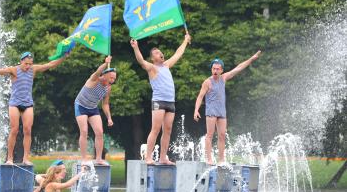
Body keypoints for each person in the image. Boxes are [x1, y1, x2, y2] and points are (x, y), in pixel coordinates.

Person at [0, 52, 68, 165]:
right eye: (26, 64)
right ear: (21, 61)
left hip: (28, 104)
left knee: (27, 130)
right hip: (15, 104)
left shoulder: (33, 69)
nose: (28, 66)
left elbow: (50, 65)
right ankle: (10, 158)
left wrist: (63, 57)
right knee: (14, 130)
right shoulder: (13, 70)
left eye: (30, 64)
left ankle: (26, 159)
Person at [130, 33, 191, 165]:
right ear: (153, 59)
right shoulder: (152, 68)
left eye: (160, 52)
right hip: (159, 101)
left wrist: (185, 41)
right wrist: (136, 47)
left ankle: (163, 157)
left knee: (167, 130)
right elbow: (140, 61)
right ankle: (148, 157)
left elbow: (177, 54)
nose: (160, 54)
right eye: (157, 53)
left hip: (170, 102)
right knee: (155, 129)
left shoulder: (167, 65)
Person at [193, 51, 261, 164]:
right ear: (211, 69)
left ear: (221, 70)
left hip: (221, 111)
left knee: (222, 135)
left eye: (218, 69)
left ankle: (221, 160)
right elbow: (200, 97)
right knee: (209, 135)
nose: (215, 71)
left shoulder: (223, 78)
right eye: (213, 68)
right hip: (211, 111)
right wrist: (196, 110)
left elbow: (238, 68)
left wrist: (251, 59)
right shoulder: (207, 82)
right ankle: (209, 159)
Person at [74, 56, 116, 165]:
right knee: (84, 131)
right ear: (105, 75)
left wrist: (109, 118)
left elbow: (105, 104)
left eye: (114, 79)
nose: (112, 81)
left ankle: (98, 158)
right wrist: (105, 63)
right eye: (111, 78)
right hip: (81, 105)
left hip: (93, 108)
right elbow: (98, 72)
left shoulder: (108, 88)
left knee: (100, 132)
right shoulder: (94, 79)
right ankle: (83, 159)